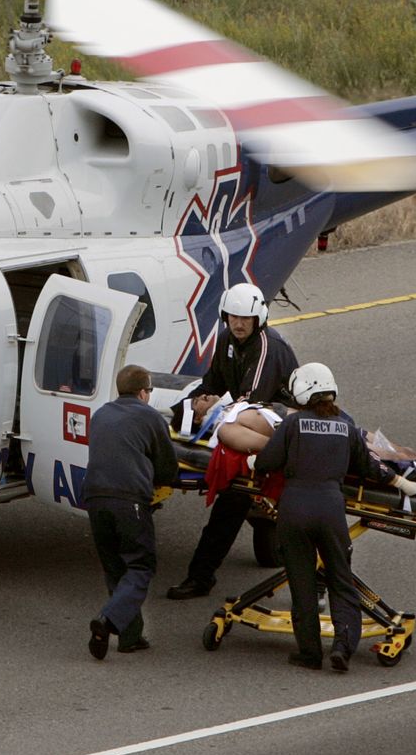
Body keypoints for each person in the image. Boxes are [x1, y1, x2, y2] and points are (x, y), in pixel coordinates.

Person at [255, 363, 416, 671]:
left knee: (302, 583)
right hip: (330, 509)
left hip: (294, 509)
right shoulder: (346, 426)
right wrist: (401, 483)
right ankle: (342, 648)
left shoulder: (293, 424)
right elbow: (368, 466)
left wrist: (256, 461)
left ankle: (308, 653)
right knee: (340, 579)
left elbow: (267, 461)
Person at [165, 282, 300, 600]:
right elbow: (210, 384)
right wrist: (191, 406)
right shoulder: (227, 339)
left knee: (232, 499)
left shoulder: (268, 348)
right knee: (243, 498)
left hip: (272, 427)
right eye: (233, 317)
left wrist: (207, 411)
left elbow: (245, 407)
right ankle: (267, 526)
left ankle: (200, 576)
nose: (238, 324)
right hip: (245, 421)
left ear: (259, 320)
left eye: (245, 319)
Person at [84, 363, 178, 660]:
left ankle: (130, 636)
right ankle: (108, 620)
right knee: (140, 566)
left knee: (115, 568)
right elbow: (167, 468)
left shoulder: (100, 415)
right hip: (129, 500)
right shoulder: (150, 417)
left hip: (95, 498)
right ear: (142, 392)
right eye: (149, 391)